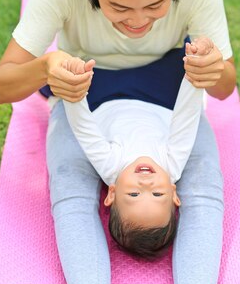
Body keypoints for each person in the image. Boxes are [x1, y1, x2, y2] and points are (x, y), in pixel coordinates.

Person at [0, 0, 236, 284]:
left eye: (155, 5)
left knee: (205, 189)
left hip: (169, 86)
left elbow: (225, 88)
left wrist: (213, 69)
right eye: (120, 8)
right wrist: (45, 68)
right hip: (86, 85)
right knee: (69, 188)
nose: (138, 21)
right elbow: (2, 87)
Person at [61, 37, 214, 259]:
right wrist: (194, 73)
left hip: (107, 95)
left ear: (112, 193)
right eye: (157, 193)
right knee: (182, 53)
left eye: (133, 193)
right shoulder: (172, 165)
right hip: (159, 97)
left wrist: (74, 90)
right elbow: (186, 119)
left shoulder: (111, 166)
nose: (145, 184)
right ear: (174, 194)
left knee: (80, 64)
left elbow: (84, 129)